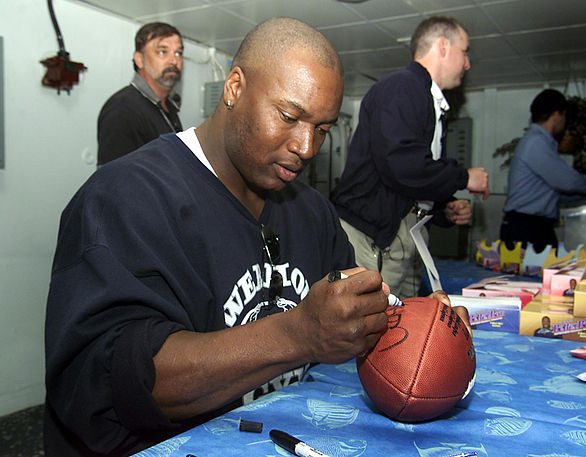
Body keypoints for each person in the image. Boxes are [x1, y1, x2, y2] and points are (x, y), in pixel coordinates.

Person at [44, 17, 469, 457]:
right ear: (234, 87)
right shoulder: (123, 199)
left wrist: (412, 323)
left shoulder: (312, 212)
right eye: (289, 116)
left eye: (322, 129)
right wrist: (295, 335)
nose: (306, 147)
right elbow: (118, 381)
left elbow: (350, 317)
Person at [330, 16, 489, 298]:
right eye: (464, 52)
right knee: (376, 332)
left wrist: (443, 208)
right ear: (442, 46)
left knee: (403, 331)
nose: (468, 64)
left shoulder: (426, 98)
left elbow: (410, 184)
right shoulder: (402, 88)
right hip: (372, 240)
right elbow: (401, 165)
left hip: (401, 238)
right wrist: (464, 177)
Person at [500, 89, 586, 252]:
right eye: (565, 116)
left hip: (531, 226)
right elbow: (568, 182)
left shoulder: (538, 143)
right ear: (557, 114)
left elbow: (554, 194)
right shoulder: (536, 143)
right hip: (527, 228)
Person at [97, 22, 184, 165]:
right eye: (163, 52)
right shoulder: (122, 109)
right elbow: (114, 180)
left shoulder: (168, 105)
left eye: (178, 53)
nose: (174, 60)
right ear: (139, 59)